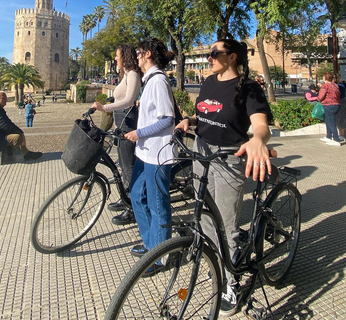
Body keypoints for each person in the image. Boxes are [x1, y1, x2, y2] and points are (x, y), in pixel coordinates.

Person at [176, 39, 272, 317]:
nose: (208, 58)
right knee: (204, 214)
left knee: (227, 223)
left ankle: (232, 283)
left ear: (231, 57)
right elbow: (202, 113)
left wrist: (257, 140)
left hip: (229, 158)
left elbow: (261, 125)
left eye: (214, 54)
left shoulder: (248, 87)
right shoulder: (208, 81)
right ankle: (215, 263)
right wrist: (189, 122)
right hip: (201, 151)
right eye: (208, 54)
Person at [123, 38, 176, 272]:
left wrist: (139, 133)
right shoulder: (149, 82)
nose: (136, 56)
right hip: (145, 153)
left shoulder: (158, 82)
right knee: (136, 194)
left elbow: (167, 120)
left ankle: (160, 255)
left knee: (157, 204)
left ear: (147, 55)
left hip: (157, 154)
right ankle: (150, 244)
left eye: (138, 52)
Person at [91, 44, 142, 225]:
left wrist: (105, 107)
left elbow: (129, 100)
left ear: (125, 56)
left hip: (129, 123)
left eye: (117, 55)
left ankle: (134, 208)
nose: (115, 59)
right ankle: (126, 197)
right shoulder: (126, 75)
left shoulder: (133, 75)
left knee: (128, 167)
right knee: (122, 163)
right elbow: (120, 98)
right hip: (121, 123)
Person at [0, 91, 42, 160]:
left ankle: (23, 153)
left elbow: (5, 124)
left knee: (14, 133)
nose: (6, 101)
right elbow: (6, 126)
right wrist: (20, 132)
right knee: (17, 137)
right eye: (3, 99)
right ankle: (25, 154)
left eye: (6, 99)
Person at [317, 72, 341, 146]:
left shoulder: (325, 86)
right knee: (328, 120)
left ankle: (336, 139)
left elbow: (321, 96)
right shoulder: (335, 85)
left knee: (331, 122)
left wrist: (318, 99)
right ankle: (328, 136)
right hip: (337, 104)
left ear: (325, 78)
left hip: (328, 105)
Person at [335, 76, 346, 142]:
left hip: (339, 102)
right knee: (342, 118)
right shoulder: (343, 85)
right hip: (343, 102)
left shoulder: (338, 86)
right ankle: (342, 134)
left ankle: (341, 135)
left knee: (339, 118)